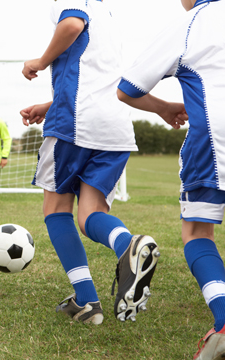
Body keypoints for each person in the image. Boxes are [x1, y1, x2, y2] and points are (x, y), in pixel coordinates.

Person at [20, 0, 160, 325]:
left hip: (74, 122)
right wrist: (49, 103)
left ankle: (87, 299)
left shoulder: (73, 4)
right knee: (90, 215)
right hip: (115, 126)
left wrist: (40, 61)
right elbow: (100, 80)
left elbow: (71, 26)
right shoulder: (108, 17)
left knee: (56, 210)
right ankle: (129, 245)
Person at [117, 0, 225, 357]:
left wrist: (163, 107)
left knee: (197, 233)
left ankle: (223, 321)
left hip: (215, 141)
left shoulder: (191, 24)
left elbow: (128, 87)